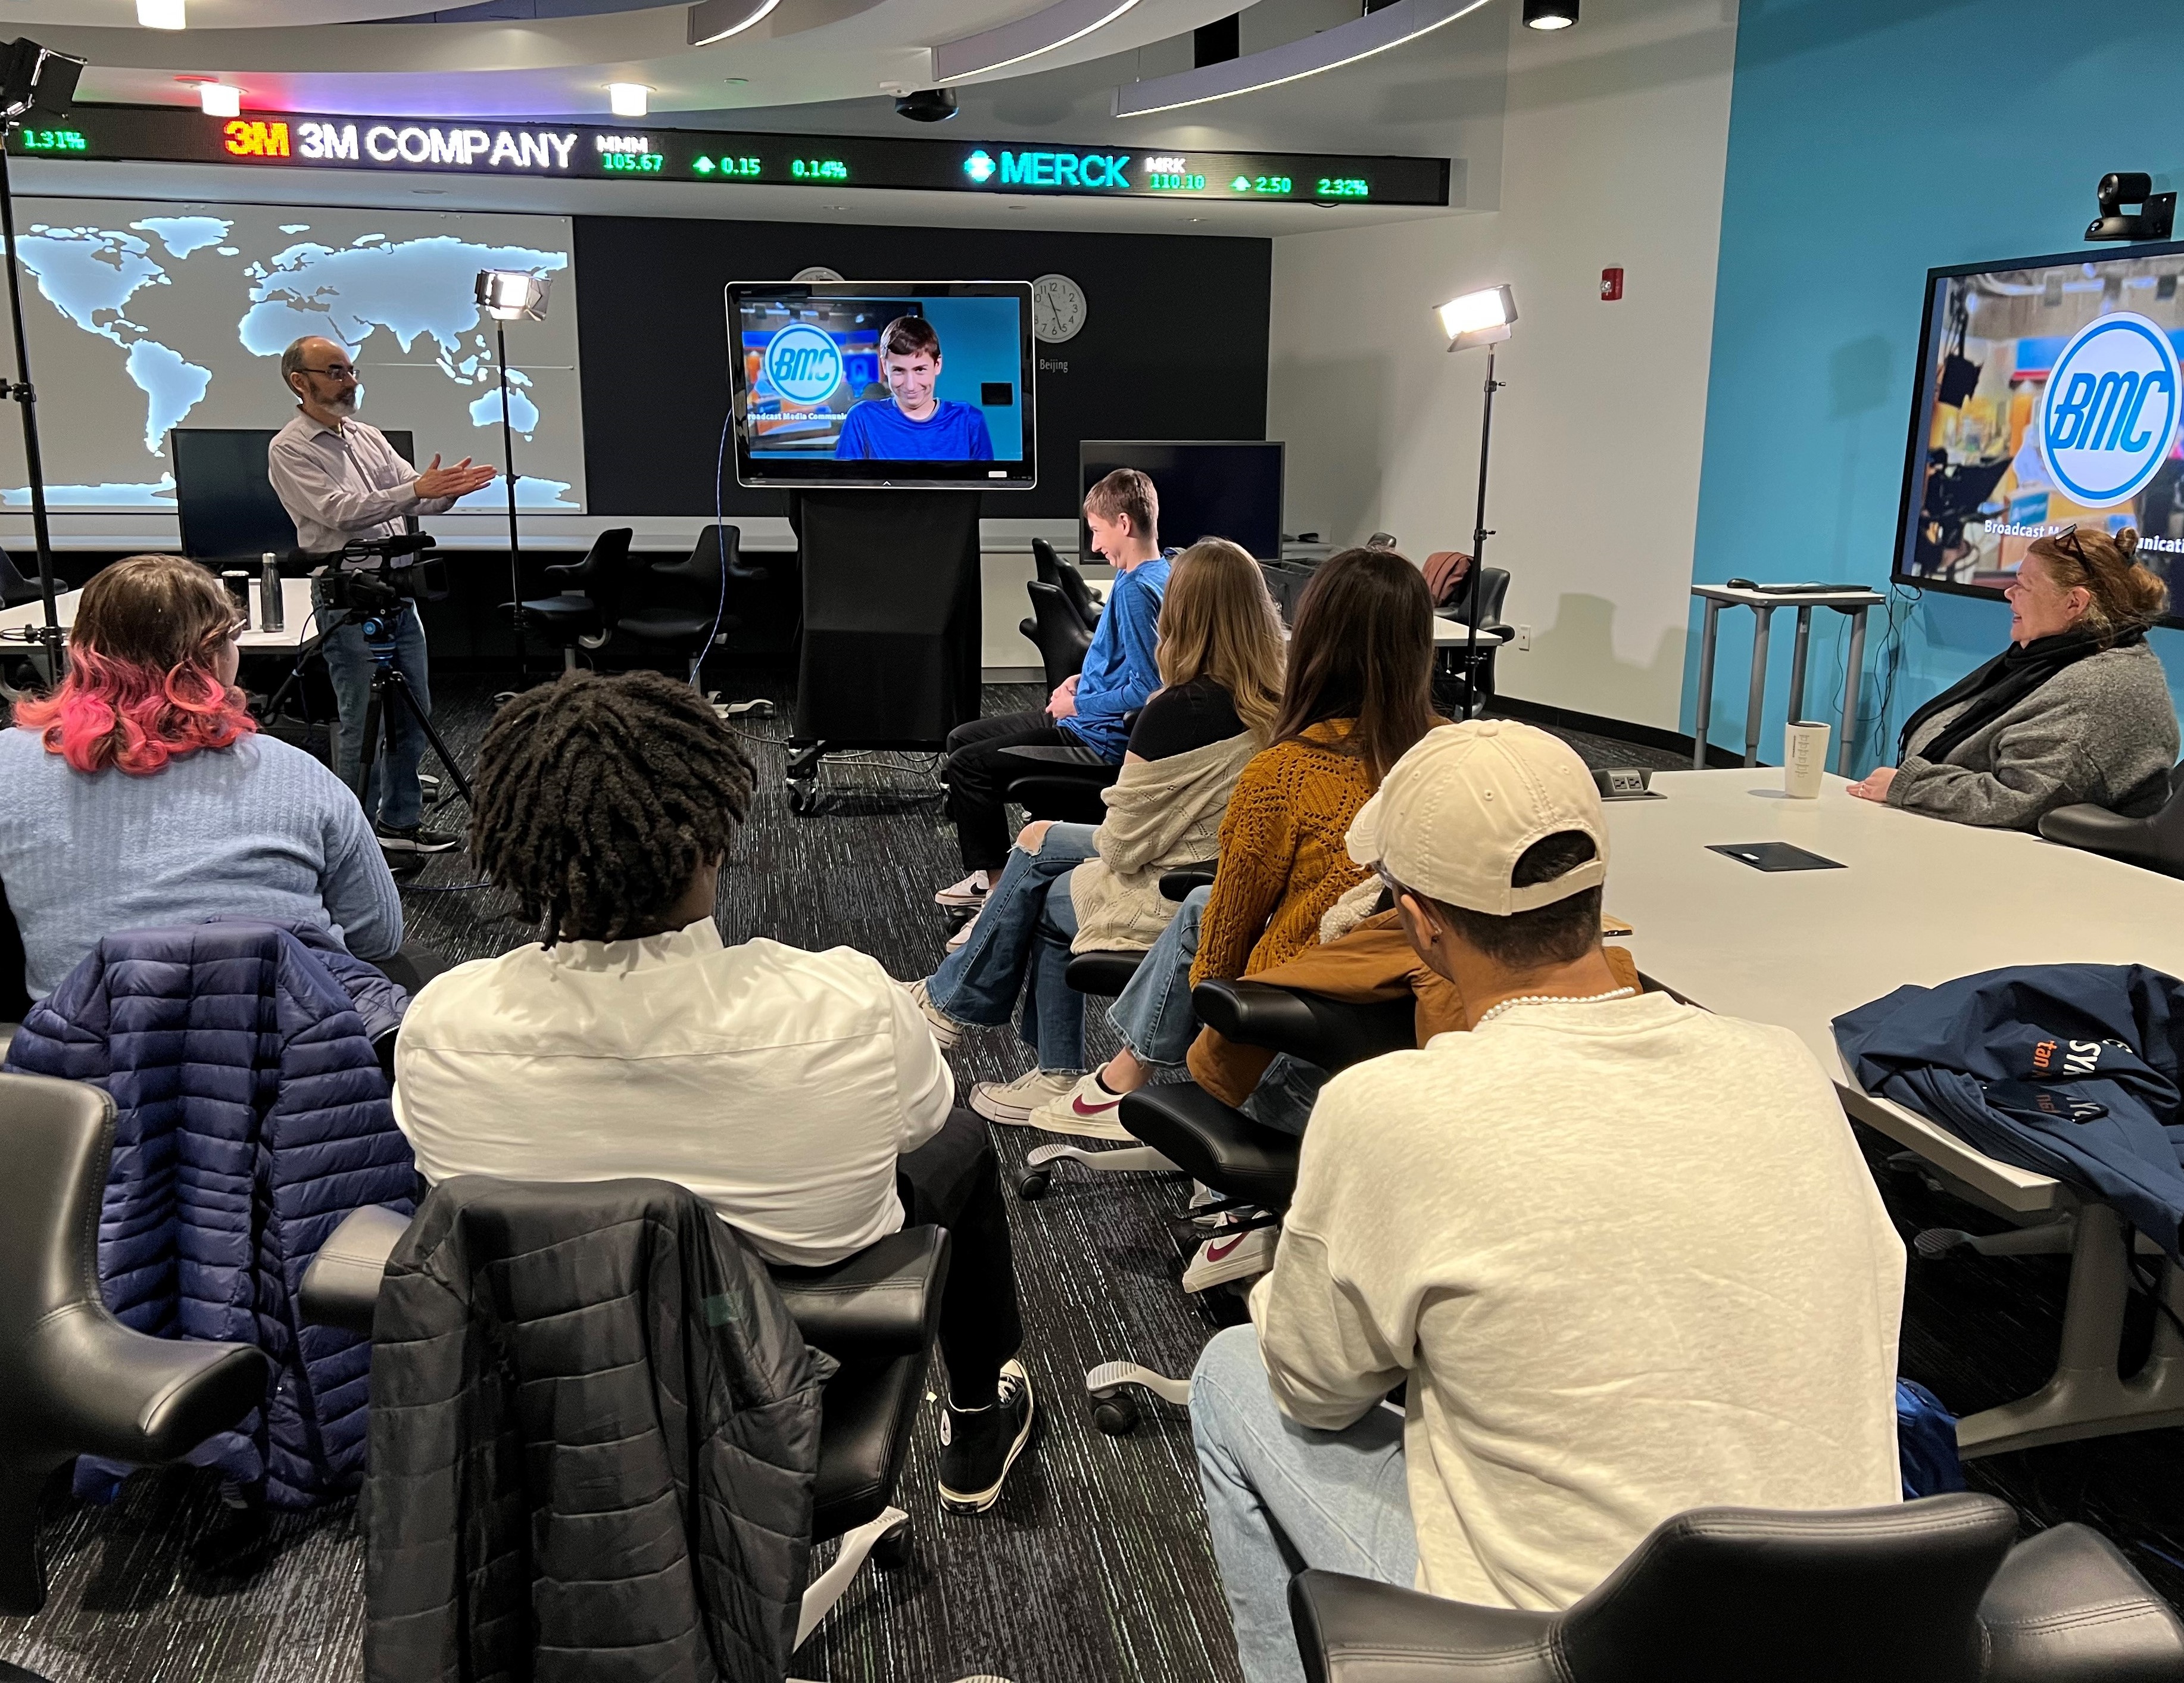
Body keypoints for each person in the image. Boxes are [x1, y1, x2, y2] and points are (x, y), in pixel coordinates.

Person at [1191, 720, 1907, 1683]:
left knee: (1232, 1370)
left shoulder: (1388, 1109)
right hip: (1846, 1630)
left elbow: (1310, 1385)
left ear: (1420, 921)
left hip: (1570, 1654)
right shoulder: (1781, 1065)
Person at [391, 671, 1037, 1513]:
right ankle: (980, 1416)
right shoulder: (843, 1002)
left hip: (550, 1367)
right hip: (789, 1333)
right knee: (958, 1139)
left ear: (521, 852)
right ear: (711, 840)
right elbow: (918, 1116)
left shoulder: (441, 1022)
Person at [1028, 550, 1440, 1218]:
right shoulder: (1450, 756)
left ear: (1310, 643)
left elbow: (1220, 971)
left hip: (1296, 1060)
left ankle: (1128, 1090)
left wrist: (1205, 1069)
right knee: (1197, 904)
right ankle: (1117, 1078)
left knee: (1199, 919)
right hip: (1418, 1049)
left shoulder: (1285, 773)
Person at [910, 538, 1286, 1125]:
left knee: (1041, 879)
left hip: (1174, 885)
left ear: (1179, 612)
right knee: (1037, 845)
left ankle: (975, 1022)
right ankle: (961, 1013)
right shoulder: (1282, 697)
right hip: (1234, 880)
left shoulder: (1173, 711)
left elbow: (1122, 845)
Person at [0, 553, 403, 1001]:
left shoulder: (7, 766)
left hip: (82, 1052)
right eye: (231, 637)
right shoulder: (298, 774)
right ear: (211, 655)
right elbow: (378, 936)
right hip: (288, 1048)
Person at [267, 334, 497, 855]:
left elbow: (410, 496)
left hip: (395, 590)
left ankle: (400, 825)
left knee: (413, 709)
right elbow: (340, 511)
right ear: (299, 382)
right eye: (335, 372)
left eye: (350, 370)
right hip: (348, 597)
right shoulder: (290, 447)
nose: (350, 381)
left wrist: (444, 491)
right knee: (361, 722)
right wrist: (416, 490)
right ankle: (355, 838)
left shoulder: (367, 435)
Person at [935, 468, 1171, 906]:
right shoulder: (1145, 571)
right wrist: (1082, 679)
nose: (1096, 545)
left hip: (1097, 740)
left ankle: (998, 889)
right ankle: (992, 877)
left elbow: (1149, 690)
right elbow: (1126, 660)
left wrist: (1079, 703)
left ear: (1124, 524)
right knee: (960, 738)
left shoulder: (1139, 589)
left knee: (968, 765)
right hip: (1086, 715)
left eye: (1099, 532)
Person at [1847, 525, 2177, 828]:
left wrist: (1910, 786)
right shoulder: (2053, 657)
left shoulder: (2098, 688)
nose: (2009, 594)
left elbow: (2018, 800)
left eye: (2024, 586)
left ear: (2075, 603)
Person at [834, 314, 996, 460]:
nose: (910, 386)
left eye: (920, 370)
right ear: (884, 366)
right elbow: (847, 490)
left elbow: (982, 491)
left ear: (937, 365)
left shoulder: (969, 420)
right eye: (899, 371)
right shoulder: (862, 418)